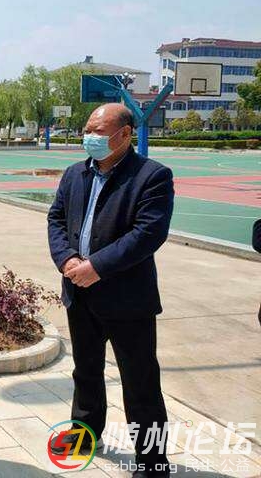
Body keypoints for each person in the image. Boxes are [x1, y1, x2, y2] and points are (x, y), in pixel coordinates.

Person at [47, 103, 174, 478]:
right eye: (87, 129)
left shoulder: (151, 176)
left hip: (127, 298)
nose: (90, 136)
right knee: (85, 371)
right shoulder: (75, 173)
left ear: (125, 135)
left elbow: (148, 234)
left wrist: (96, 267)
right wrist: (67, 260)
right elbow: (56, 219)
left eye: (99, 132)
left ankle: (152, 462)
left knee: (140, 382)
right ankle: (85, 435)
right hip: (79, 292)